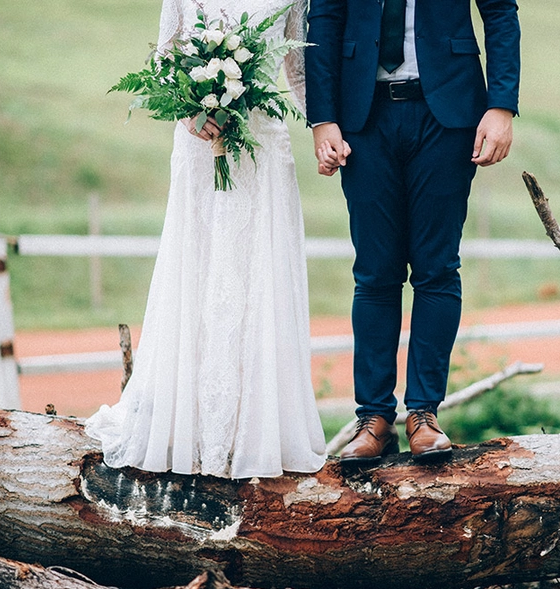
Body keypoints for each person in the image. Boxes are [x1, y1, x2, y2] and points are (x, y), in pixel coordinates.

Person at [85, 0, 326, 479]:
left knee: (257, 272)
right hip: (199, 144)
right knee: (198, 268)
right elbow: (164, 58)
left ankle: (255, 431)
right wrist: (187, 113)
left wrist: (327, 126)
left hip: (263, 147)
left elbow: (298, 71)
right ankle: (189, 424)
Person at [305, 0, 520, 464]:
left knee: (436, 269)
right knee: (374, 273)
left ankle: (423, 414)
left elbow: (501, 12)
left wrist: (502, 105)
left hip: (449, 115)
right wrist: (322, 119)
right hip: (362, 118)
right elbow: (323, 18)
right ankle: (374, 419)